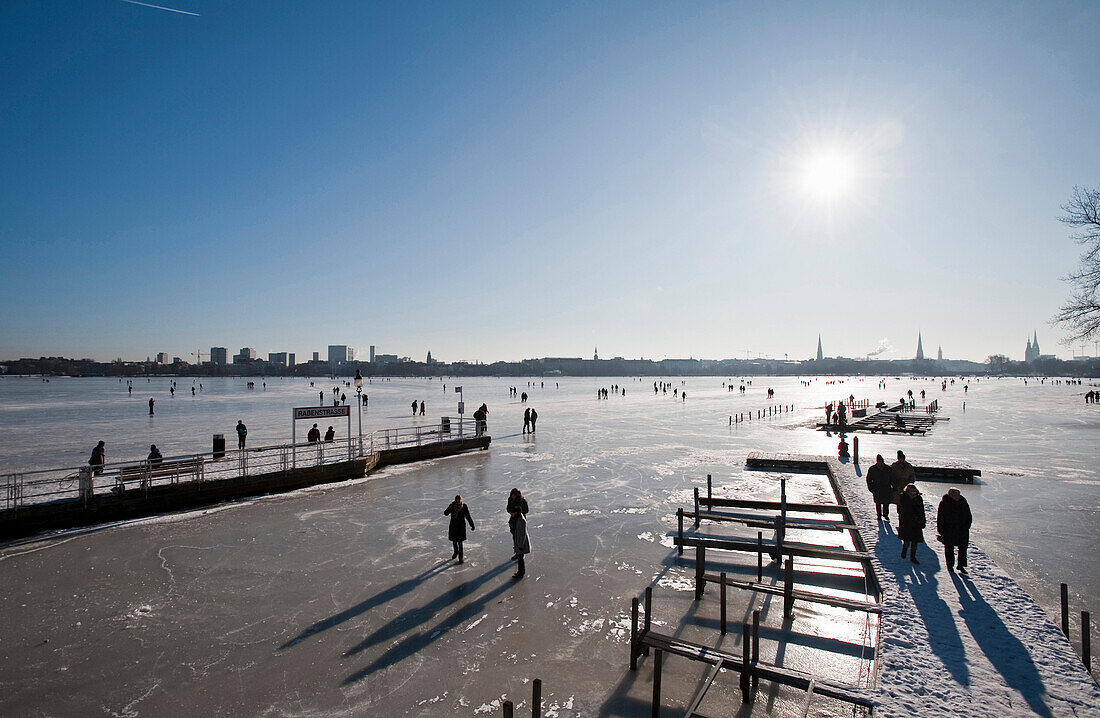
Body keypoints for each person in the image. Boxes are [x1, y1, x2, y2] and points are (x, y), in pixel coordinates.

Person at [937, 488, 973, 574]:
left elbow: (969, 516)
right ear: (951, 495)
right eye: (956, 495)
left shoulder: (963, 502)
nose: (958, 496)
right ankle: (950, 565)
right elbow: (940, 518)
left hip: (962, 530)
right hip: (949, 530)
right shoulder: (944, 503)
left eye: (959, 494)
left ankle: (961, 566)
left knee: (963, 548)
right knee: (949, 548)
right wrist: (941, 531)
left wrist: (967, 526)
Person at [897, 484, 926, 564]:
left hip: (917, 522)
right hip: (907, 522)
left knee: (915, 542)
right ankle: (904, 551)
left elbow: (922, 510)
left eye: (914, 491)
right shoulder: (904, 498)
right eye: (911, 491)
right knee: (907, 540)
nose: (913, 493)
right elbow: (902, 510)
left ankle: (913, 557)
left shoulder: (919, 499)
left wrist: (922, 521)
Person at [444, 495, 476, 563]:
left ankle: (461, 556)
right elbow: (445, 513)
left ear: (461, 500)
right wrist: (450, 507)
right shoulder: (452, 506)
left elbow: (468, 516)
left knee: (460, 542)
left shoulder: (464, 506)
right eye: (456, 500)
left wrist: (472, 525)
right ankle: (455, 552)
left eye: (459, 500)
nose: (458, 501)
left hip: (460, 527)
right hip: (453, 526)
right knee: (454, 541)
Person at [866, 454, 894, 519]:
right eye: (879, 461)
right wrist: (870, 487)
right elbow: (869, 479)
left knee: (886, 503)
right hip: (877, 488)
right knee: (878, 503)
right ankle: (879, 515)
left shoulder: (888, 468)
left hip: (886, 488)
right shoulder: (872, 469)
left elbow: (892, 478)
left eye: (881, 461)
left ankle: (885, 515)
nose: (880, 463)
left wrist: (893, 487)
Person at [512, 503, 531, 580]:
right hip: (519, 541)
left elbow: (523, 534)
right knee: (520, 558)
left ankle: (521, 573)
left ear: (516, 513)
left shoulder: (521, 520)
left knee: (520, 559)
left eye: (512, 513)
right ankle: (520, 572)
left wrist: (520, 545)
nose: (511, 514)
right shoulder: (517, 518)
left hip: (521, 543)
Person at [507, 488, 529, 553]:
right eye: (512, 495)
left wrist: (518, 511)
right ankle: (517, 550)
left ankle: (521, 550)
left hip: (520, 519)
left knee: (521, 535)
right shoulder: (510, 500)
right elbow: (508, 508)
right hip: (513, 519)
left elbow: (526, 510)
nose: (513, 496)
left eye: (514, 495)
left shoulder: (522, 501)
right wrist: (511, 512)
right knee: (514, 534)